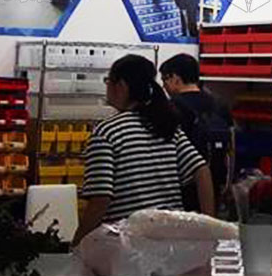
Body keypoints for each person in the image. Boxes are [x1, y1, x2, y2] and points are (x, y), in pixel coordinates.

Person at [74, 55, 214, 245]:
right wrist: (208, 226)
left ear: (121, 86)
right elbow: (202, 170)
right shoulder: (165, 127)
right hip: (172, 242)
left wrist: (78, 242)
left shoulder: (106, 132)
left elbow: (100, 199)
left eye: (108, 81)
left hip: (127, 246)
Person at [159, 53, 233, 211]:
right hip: (216, 182)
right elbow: (231, 146)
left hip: (185, 186)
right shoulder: (220, 104)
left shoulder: (171, 107)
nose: (164, 86)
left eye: (165, 79)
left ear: (175, 78)